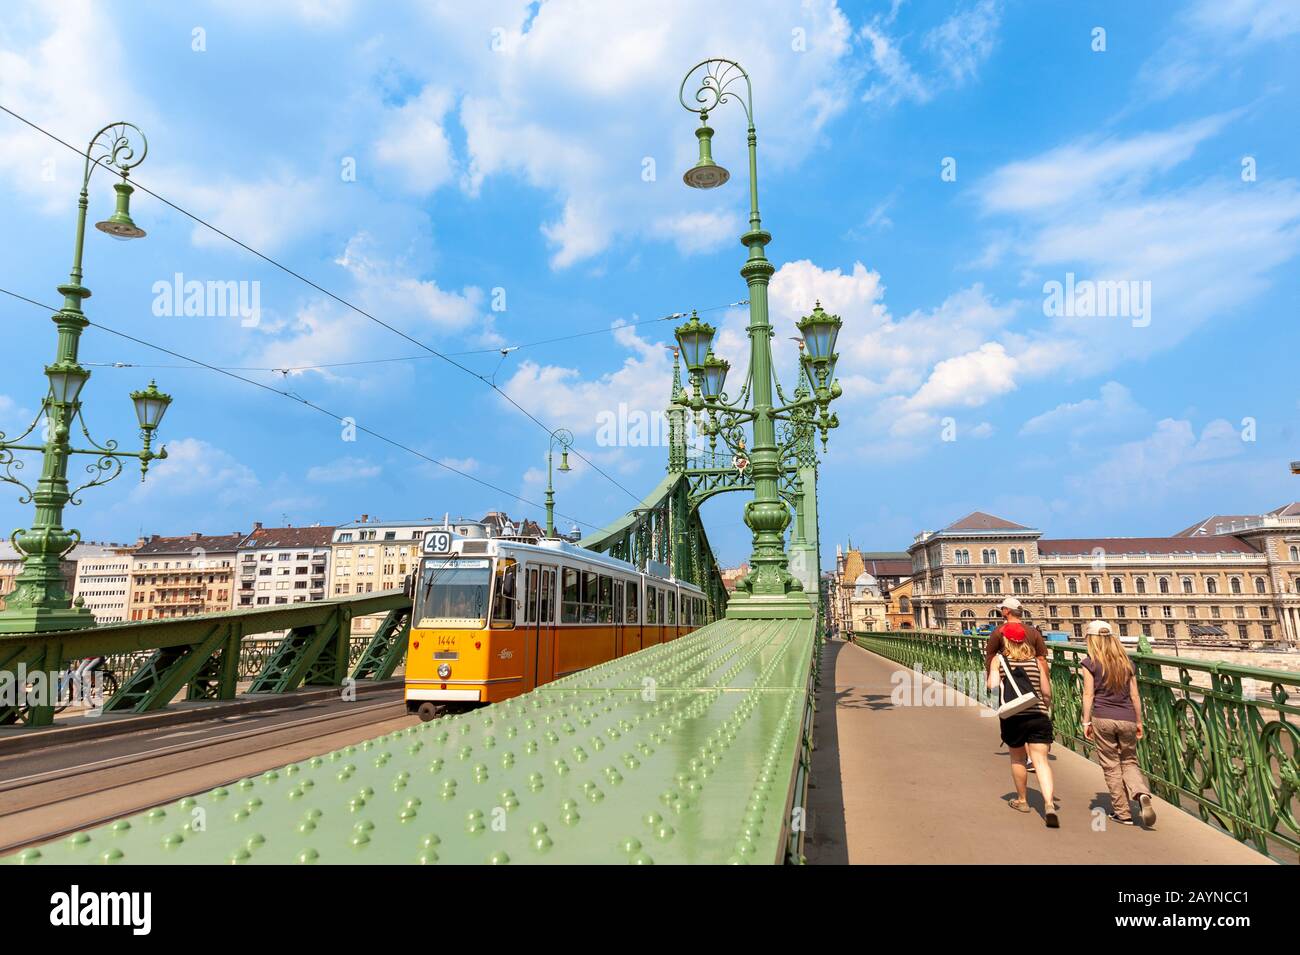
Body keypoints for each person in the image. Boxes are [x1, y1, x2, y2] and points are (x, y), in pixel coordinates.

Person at [984, 597, 1058, 827]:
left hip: (1014, 714)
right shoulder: (1036, 658)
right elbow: (1047, 692)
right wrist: (1045, 707)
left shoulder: (999, 648)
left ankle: (1023, 800)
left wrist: (994, 673)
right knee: (1042, 761)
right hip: (1037, 713)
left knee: (1017, 758)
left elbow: (992, 685)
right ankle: (1049, 804)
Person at [1081, 620, 1157, 828]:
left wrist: (1085, 721)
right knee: (1129, 761)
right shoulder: (1127, 663)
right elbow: (1135, 695)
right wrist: (1139, 721)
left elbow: (1088, 694)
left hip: (1103, 717)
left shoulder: (1090, 662)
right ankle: (1140, 792)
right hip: (1127, 718)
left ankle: (1123, 813)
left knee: (1111, 766)